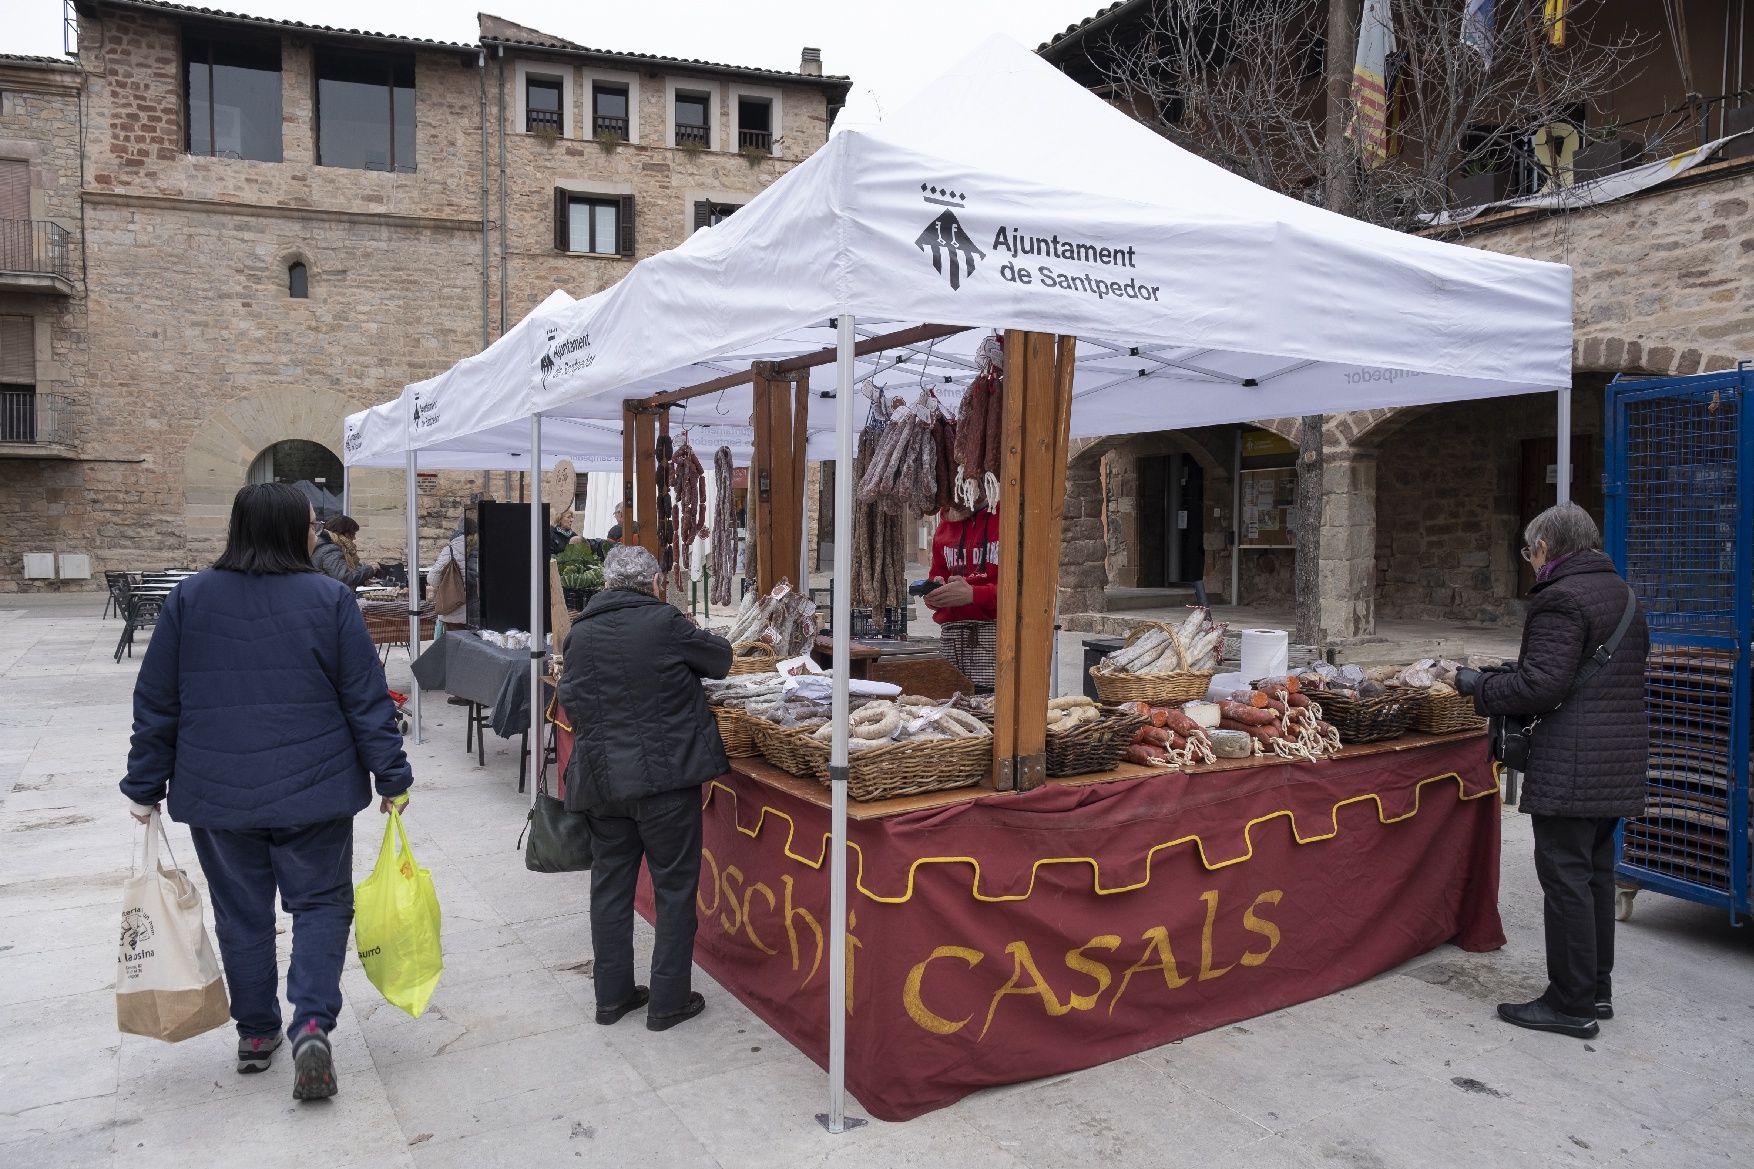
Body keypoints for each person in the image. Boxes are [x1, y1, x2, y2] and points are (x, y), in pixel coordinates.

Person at [121, 483, 414, 1099]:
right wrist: (392, 776)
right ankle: (310, 1021)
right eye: (310, 523)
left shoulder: (189, 599)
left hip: (220, 795)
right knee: (320, 904)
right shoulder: (329, 599)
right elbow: (365, 699)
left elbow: (157, 702)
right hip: (316, 791)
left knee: (242, 913)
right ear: (286, 530)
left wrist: (144, 785)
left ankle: (257, 1033)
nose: (315, 532)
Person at [1456, 501, 1648, 1041]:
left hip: (1573, 763)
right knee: (1594, 877)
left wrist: (1479, 687)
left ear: (1546, 548)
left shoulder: (1559, 598)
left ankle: (1569, 1005)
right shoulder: (1623, 594)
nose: (1529, 559)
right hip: (1618, 761)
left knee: (1565, 881)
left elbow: (1542, 686)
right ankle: (1596, 991)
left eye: (1529, 549)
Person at [558, 544, 731, 1032]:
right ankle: (668, 1000)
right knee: (675, 889)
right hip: (664, 782)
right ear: (655, 583)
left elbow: (570, 697)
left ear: (609, 585)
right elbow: (721, 660)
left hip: (602, 783)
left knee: (611, 888)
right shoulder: (666, 623)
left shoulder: (581, 633)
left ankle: (611, 998)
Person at [924, 503, 1001, 692]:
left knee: (988, 712)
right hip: (952, 639)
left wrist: (974, 595)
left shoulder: (1006, 519)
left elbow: (1025, 591)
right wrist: (935, 594)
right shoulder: (944, 526)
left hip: (994, 638)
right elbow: (936, 574)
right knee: (950, 709)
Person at [312, 514, 378, 587]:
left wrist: (364, 579)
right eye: (352, 534)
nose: (354, 538)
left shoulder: (331, 545)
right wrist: (370, 569)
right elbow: (345, 578)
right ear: (342, 533)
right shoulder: (329, 550)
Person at [427, 519, 468, 632]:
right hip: (479, 613)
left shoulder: (450, 550)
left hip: (454, 610)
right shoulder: (481, 547)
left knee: (454, 646)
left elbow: (432, 579)